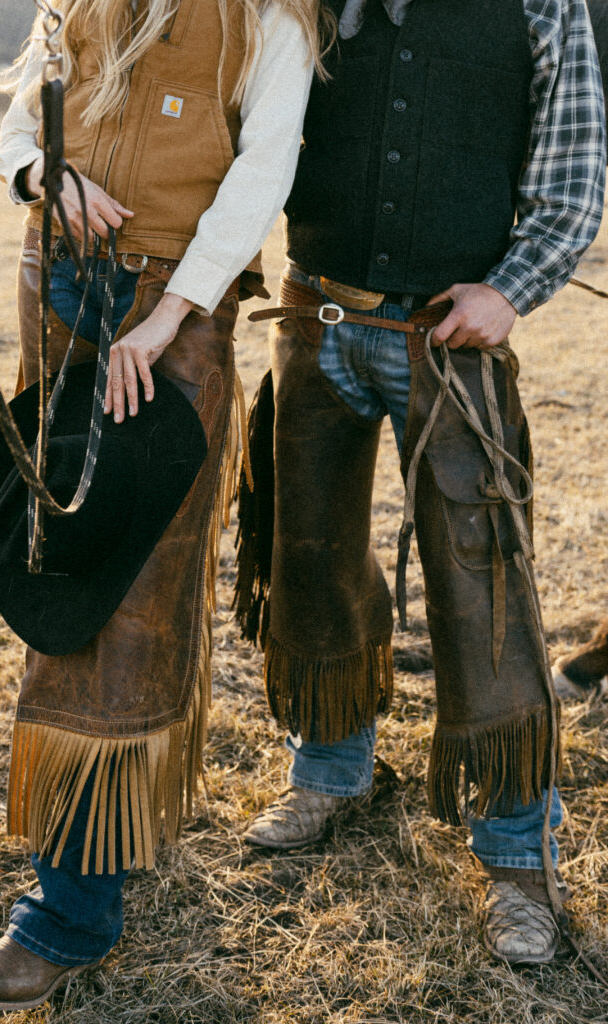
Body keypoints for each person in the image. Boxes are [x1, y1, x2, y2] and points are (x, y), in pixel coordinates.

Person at [0, 0, 329, 1010]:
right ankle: (106, 846)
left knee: (125, 602)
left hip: (170, 319)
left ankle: (70, 912)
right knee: (59, 563)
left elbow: (262, 174)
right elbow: (24, 122)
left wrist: (168, 317)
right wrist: (42, 175)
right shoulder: (74, 0)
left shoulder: (268, 22)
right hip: (58, 292)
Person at [237, 0, 606, 966]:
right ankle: (329, 771)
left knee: (482, 587)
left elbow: (570, 180)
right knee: (308, 558)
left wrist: (511, 289)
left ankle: (517, 852)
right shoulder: (301, 1)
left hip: (452, 337)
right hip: (313, 321)